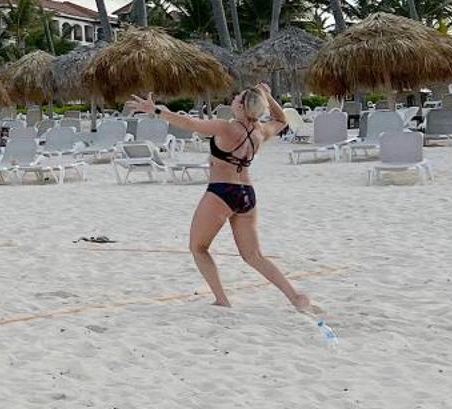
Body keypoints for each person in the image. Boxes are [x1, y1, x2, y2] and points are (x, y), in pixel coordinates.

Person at [125, 83, 316, 314]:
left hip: (221, 192)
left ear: (243, 107)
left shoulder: (225, 128)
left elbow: (189, 124)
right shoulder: (259, 132)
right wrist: (268, 95)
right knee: (253, 256)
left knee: (198, 247)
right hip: (246, 195)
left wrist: (155, 111)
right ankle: (295, 296)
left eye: (237, 99)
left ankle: (222, 299)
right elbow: (282, 120)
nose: (233, 100)